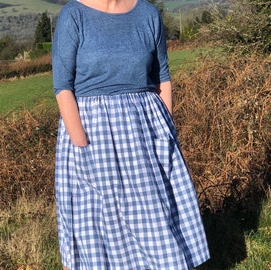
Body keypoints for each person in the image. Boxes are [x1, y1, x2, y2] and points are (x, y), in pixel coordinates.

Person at [52, 0, 210, 269]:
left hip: (145, 128)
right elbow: (62, 86)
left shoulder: (148, 14)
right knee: (102, 220)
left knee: (153, 213)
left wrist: (164, 129)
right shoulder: (74, 15)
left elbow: (162, 75)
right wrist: (82, 143)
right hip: (93, 130)